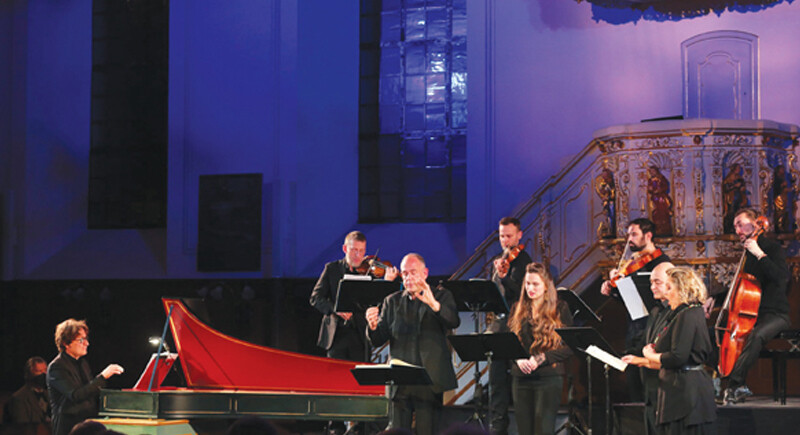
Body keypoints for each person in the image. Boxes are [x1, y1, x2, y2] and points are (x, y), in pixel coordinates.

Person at [366, 253, 460, 435]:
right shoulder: (391, 301)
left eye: (413, 273)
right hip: (400, 382)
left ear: (425, 273)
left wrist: (433, 304)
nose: (408, 278)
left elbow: (453, 321)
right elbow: (378, 339)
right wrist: (372, 326)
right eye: (405, 273)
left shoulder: (441, 295)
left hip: (429, 381)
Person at [626, 267, 716, 435]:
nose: (665, 292)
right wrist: (640, 361)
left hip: (686, 392)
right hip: (675, 388)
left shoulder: (690, 313)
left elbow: (678, 357)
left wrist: (650, 355)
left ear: (682, 289)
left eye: (669, 287)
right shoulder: (677, 313)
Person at [720, 208, 790, 404]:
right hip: (752, 314)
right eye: (735, 226)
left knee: (756, 335)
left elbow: (781, 278)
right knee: (713, 334)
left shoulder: (771, 249)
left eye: (741, 224)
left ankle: (735, 384)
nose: (738, 230)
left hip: (776, 314)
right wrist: (712, 299)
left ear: (757, 224)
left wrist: (760, 254)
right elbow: (739, 286)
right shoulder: (747, 255)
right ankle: (716, 378)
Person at [600, 218, 671, 402]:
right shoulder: (632, 263)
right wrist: (612, 288)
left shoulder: (661, 263)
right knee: (633, 379)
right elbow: (629, 301)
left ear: (648, 236)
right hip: (635, 326)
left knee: (649, 383)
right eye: (628, 234)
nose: (629, 239)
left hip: (653, 327)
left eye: (634, 234)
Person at [310, 231, 398, 362]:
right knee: (336, 377)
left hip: (361, 335)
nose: (358, 255)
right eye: (354, 250)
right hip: (336, 335)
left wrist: (387, 283)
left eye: (361, 251)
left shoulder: (370, 272)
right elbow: (315, 298)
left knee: (359, 376)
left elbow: (380, 303)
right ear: (345, 249)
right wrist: (336, 309)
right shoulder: (332, 269)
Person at [507, 263, 572, 435]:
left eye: (535, 284)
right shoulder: (517, 308)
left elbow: (570, 347)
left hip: (548, 378)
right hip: (521, 378)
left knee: (543, 430)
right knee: (524, 430)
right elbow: (508, 342)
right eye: (527, 284)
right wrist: (517, 358)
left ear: (546, 285)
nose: (530, 288)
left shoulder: (560, 308)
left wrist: (542, 358)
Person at [487, 217, 532, 435]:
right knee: (496, 377)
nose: (505, 241)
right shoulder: (498, 260)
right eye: (502, 236)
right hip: (499, 321)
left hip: (517, 323)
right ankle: (497, 424)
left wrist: (504, 277)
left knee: (516, 375)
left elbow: (520, 293)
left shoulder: (524, 260)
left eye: (509, 236)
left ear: (519, 235)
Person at [621, 262, 674, 435]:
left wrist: (644, 357)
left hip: (670, 391)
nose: (652, 287)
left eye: (657, 282)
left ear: (672, 281)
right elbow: (644, 343)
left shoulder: (680, 313)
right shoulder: (655, 311)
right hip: (651, 389)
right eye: (651, 282)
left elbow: (675, 354)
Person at [47, 319, 124, 435]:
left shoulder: (83, 363)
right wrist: (103, 376)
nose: (86, 343)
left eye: (86, 339)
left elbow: (90, 391)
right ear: (66, 343)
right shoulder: (57, 367)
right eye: (81, 340)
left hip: (86, 424)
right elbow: (76, 395)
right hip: (69, 428)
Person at [7, 356, 50, 425]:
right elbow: (21, 427)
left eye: (45, 370)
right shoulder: (19, 398)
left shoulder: (49, 395)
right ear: (29, 374)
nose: (43, 374)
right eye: (38, 371)